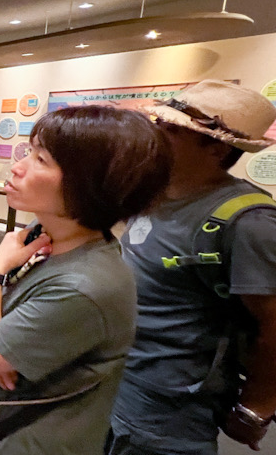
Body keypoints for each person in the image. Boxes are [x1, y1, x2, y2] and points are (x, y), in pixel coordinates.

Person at [0, 106, 171, 455]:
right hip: (1, 419)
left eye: (41, 159)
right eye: (29, 151)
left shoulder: (84, 285)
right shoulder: (44, 238)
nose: (18, 166)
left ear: (90, 184)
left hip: (31, 440)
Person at [107, 80, 276, 454]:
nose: (153, 136)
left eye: (169, 132)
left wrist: (255, 408)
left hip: (170, 407)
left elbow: (273, 325)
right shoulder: (154, 193)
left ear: (216, 149)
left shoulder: (249, 222)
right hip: (118, 377)